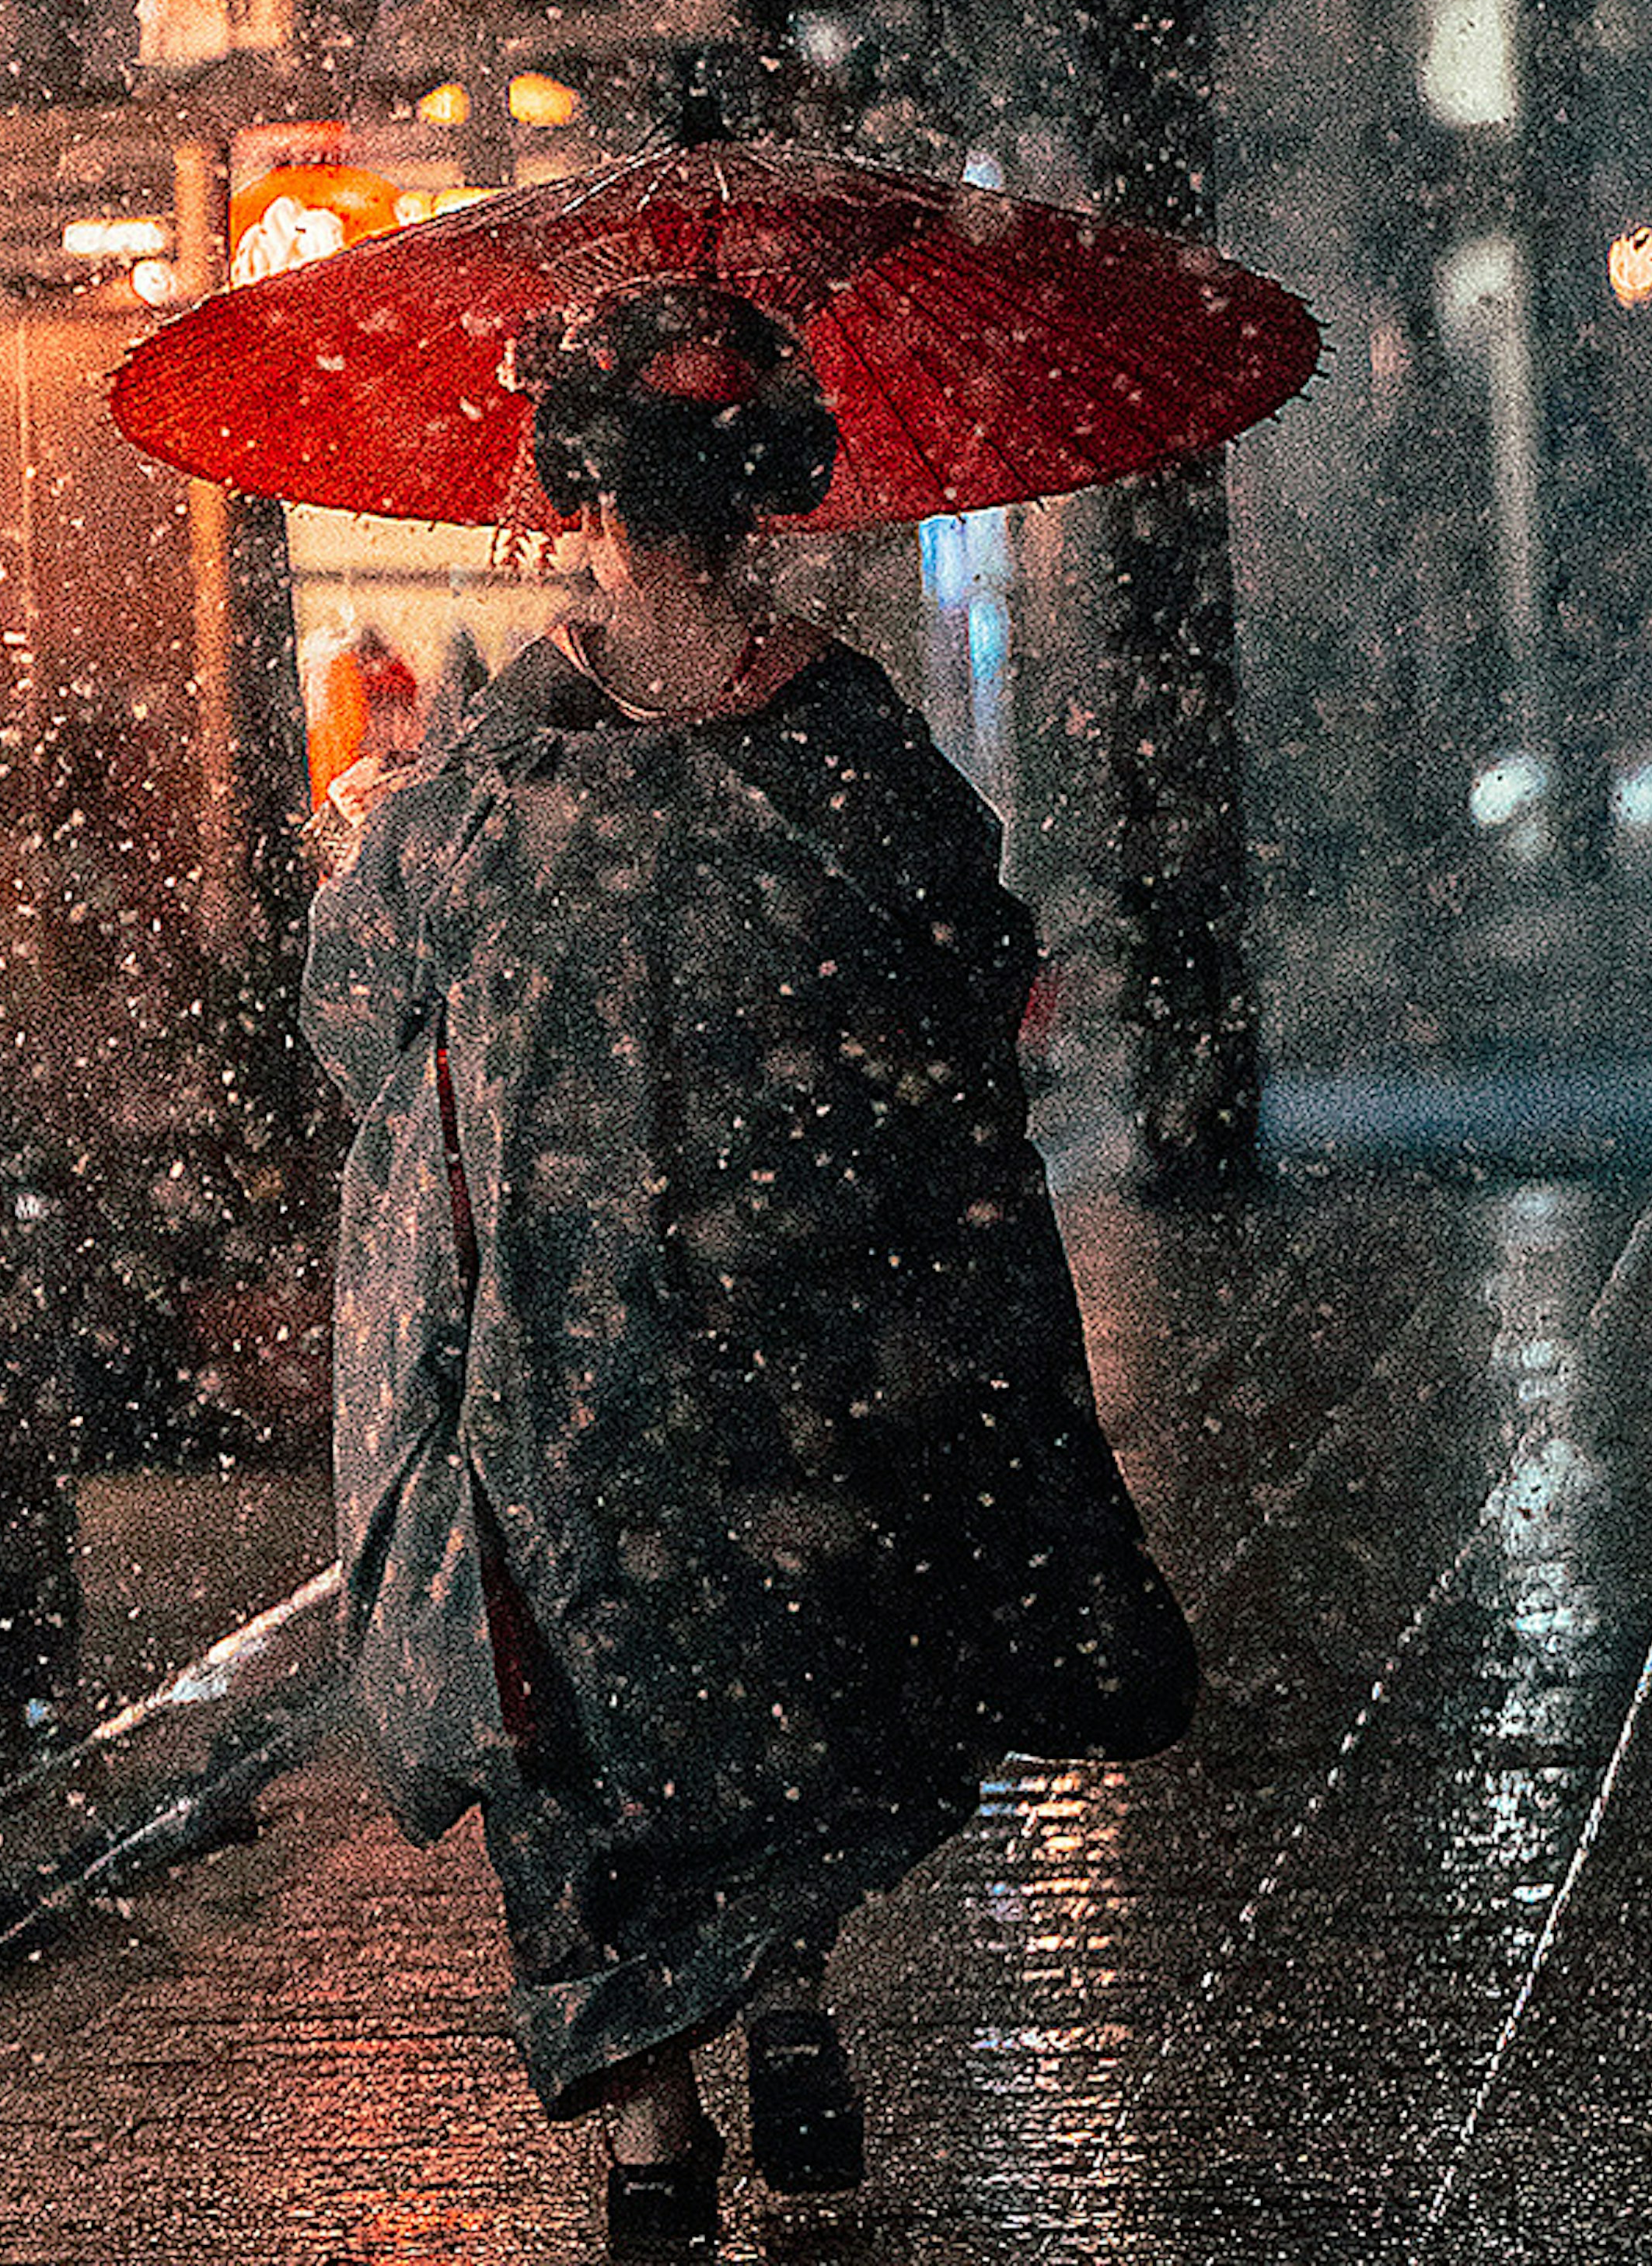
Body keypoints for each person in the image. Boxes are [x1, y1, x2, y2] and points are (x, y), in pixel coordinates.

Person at [299, 282, 1198, 2247]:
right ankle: (781, 1987)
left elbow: (363, 1021)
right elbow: (972, 979)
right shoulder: (850, 748)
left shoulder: (484, 780)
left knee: (577, 1721)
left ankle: (648, 2130)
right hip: (802, 1322)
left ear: (571, 491)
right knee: (781, 1672)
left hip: (553, 1345)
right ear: (768, 493)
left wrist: (386, 847)